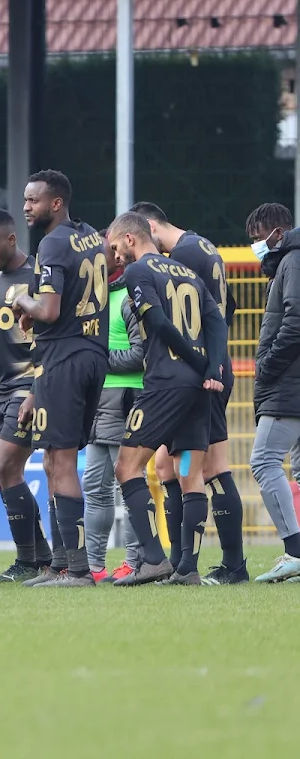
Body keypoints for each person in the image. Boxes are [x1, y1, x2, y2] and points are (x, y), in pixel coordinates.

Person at [107, 212, 227, 586]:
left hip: (164, 385)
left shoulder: (138, 272)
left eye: (114, 247)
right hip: (197, 390)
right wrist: (211, 368)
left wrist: (196, 361)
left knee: (126, 468)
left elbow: (157, 323)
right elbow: (218, 323)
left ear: (130, 240)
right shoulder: (185, 271)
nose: (114, 256)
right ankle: (188, 568)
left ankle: (154, 558)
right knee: (189, 473)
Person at [134, 201, 247, 584]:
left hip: (199, 373)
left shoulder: (178, 258)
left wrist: (207, 366)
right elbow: (224, 310)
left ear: (149, 227)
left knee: (209, 467)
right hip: (205, 367)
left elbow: (192, 319)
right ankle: (182, 562)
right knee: (170, 466)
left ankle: (231, 564)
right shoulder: (204, 247)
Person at [10, 170, 107, 588]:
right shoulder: (90, 236)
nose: (26, 207)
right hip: (90, 356)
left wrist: (21, 299)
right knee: (52, 459)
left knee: (61, 461)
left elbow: (47, 311)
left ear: (55, 203)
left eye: (32, 200)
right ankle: (61, 565)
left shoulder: (52, 243)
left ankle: (79, 570)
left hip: (64, 359)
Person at [0, 208, 54, 583]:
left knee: (6, 467)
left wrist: (36, 392)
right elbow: (1, 345)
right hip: (1, 390)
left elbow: (50, 341)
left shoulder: (37, 276)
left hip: (29, 389)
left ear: (11, 240)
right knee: (1, 475)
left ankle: (26, 560)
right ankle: (41, 556)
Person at [80, 228, 145, 583]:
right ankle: (94, 566)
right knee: (95, 486)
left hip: (125, 403)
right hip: (96, 405)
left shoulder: (128, 300)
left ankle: (135, 563)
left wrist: (98, 357)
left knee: (129, 485)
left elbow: (140, 354)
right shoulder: (92, 301)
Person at [245, 203, 300, 582]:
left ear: (277, 234)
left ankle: (294, 552)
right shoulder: (288, 262)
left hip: (288, 385)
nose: (255, 246)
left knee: (264, 461)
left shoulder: (291, 261)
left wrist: (266, 365)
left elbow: (295, 322)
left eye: (257, 238)